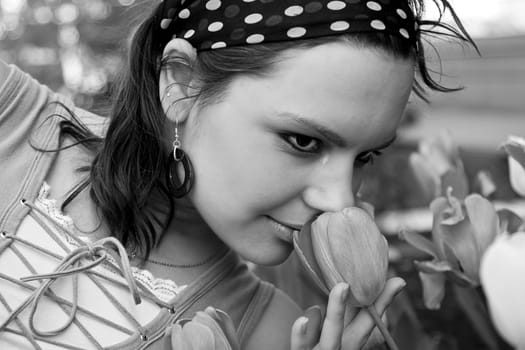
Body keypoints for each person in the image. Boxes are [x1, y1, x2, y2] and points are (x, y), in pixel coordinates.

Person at [0, 0, 475, 349]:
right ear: (180, 83)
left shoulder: (279, 336)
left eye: (365, 156)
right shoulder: (11, 116)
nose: (341, 201)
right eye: (303, 141)